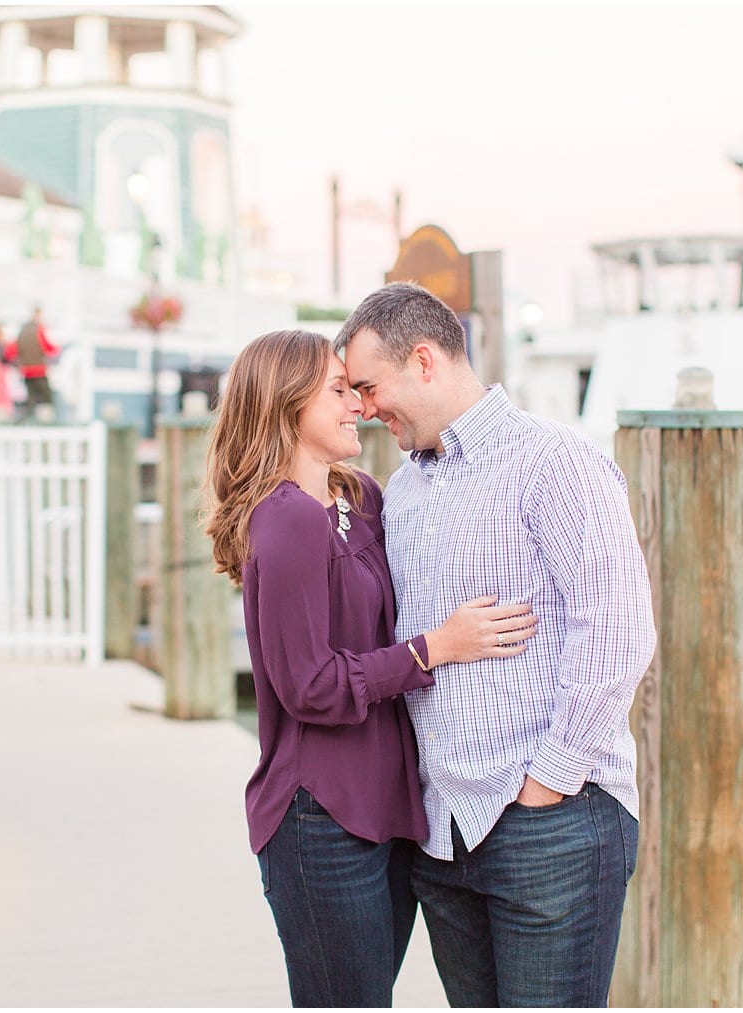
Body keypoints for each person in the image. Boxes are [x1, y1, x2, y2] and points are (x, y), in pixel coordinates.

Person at [335, 282, 657, 1008]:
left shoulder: (555, 462)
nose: (361, 407)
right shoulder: (404, 489)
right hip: (444, 836)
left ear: (422, 360)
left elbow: (618, 630)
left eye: (366, 386)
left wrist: (547, 782)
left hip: (548, 822)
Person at [202, 329, 539, 1008]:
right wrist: (432, 650)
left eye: (357, 388)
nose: (356, 403)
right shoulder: (285, 519)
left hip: (387, 809)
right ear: (285, 403)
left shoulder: (358, 497)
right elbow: (308, 684)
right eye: (337, 389)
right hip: (320, 815)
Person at [4, 306, 59, 421]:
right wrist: (57, 350)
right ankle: (48, 420)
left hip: (26, 370)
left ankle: (29, 419)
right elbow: (48, 347)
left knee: (31, 397)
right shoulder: (39, 330)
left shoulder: (22, 331)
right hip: (39, 369)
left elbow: (11, 350)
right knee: (46, 396)